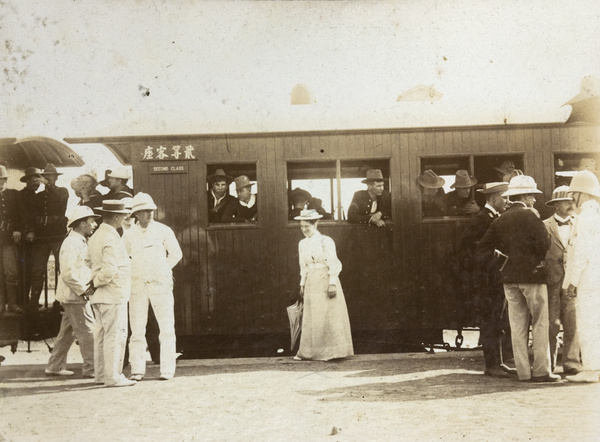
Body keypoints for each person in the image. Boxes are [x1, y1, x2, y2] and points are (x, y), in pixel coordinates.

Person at [478, 175, 558, 382]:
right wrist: (533, 261)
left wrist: (502, 263)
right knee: (540, 323)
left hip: (509, 279)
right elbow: (544, 243)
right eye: (532, 196)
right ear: (524, 195)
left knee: (517, 325)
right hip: (532, 277)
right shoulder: (531, 214)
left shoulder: (501, 218)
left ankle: (523, 372)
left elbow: (484, 246)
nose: (534, 200)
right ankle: (541, 371)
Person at [123, 192, 183, 381]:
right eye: (144, 211)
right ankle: (137, 370)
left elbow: (176, 254)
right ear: (136, 214)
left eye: (151, 211)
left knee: (166, 327)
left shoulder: (163, 230)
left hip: (160, 284)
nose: (149, 214)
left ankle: (167, 369)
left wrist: (162, 271)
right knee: (137, 329)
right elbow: (123, 258)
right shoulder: (129, 234)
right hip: (138, 285)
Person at [460, 182, 512, 377]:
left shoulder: (493, 217)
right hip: (487, 280)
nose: (507, 201)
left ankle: (498, 362)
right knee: (490, 321)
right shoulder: (482, 218)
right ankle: (492, 365)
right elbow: (468, 245)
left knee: (497, 321)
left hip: (494, 277)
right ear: (493, 198)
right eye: (504, 198)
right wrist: (496, 255)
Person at [45, 206, 100, 378]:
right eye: (92, 221)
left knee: (67, 333)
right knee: (88, 331)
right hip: (75, 296)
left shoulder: (77, 240)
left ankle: (54, 366)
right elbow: (68, 272)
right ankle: (92, 369)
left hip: (72, 295)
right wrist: (84, 290)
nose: (95, 224)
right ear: (82, 224)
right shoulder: (73, 242)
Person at [294, 209, 353, 361]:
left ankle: (332, 352)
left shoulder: (325, 241)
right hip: (311, 282)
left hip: (325, 279)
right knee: (313, 316)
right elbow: (303, 266)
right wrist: (302, 284)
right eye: (301, 226)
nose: (304, 229)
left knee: (328, 315)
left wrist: (332, 283)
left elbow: (333, 263)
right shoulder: (302, 243)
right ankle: (310, 352)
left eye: (307, 226)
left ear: (316, 224)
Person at [88, 200, 135, 387]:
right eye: (123, 215)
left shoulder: (96, 236)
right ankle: (113, 376)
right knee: (115, 335)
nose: (125, 218)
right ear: (116, 216)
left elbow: (88, 262)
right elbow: (109, 270)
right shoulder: (112, 237)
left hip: (100, 297)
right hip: (113, 294)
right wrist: (95, 283)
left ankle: (101, 375)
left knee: (101, 335)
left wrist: (93, 285)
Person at [562, 170, 600, 383]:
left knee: (587, 324)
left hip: (588, 280)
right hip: (596, 278)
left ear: (581, 194)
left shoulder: (586, 218)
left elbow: (581, 254)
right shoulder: (595, 215)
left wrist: (572, 282)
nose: (572, 199)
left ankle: (592, 369)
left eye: (573, 194)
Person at [542, 186, 580, 375]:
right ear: (556, 205)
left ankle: (572, 362)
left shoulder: (579, 224)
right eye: (566, 201)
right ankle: (549, 363)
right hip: (552, 281)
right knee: (552, 323)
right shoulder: (544, 225)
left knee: (572, 322)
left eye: (572, 201)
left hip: (572, 281)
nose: (570, 204)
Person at [30, 164, 69, 310]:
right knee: (38, 270)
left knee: (62, 269)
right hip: (42, 237)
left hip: (58, 235)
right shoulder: (38, 196)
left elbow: (60, 199)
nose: (47, 178)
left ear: (56, 177)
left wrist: (48, 185)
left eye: (50, 176)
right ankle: (34, 302)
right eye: (45, 176)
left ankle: (60, 301)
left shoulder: (63, 191)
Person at [0, 165, 24, 315]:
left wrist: (18, 229)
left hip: (8, 239)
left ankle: (12, 304)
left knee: (11, 272)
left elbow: (22, 215)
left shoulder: (13, 195)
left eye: (2, 180)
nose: (1, 183)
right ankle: (1, 304)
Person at [18, 167, 43, 306]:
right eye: (33, 180)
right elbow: (24, 216)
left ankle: (31, 300)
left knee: (34, 269)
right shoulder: (21, 196)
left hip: (36, 239)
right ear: (27, 181)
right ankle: (23, 300)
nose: (36, 183)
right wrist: (29, 230)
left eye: (38, 180)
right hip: (25, 238)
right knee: (24, 269)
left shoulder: (38, 196)